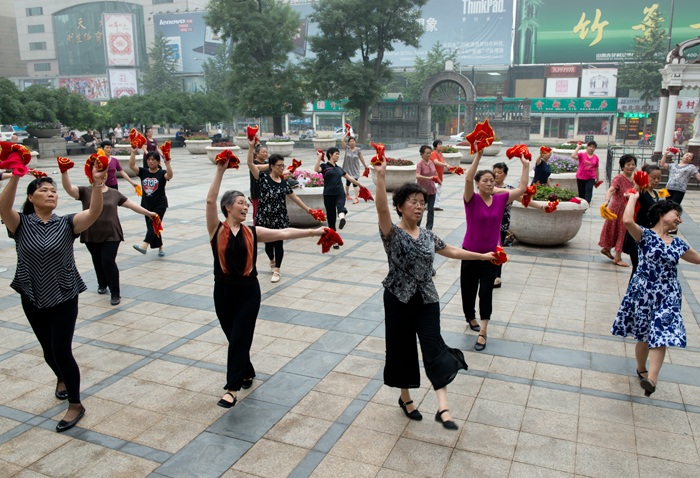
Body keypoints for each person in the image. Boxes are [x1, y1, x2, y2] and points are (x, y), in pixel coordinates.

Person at [373, 160, 493, 430]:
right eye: (413, 201)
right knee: (401, 349)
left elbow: (452, 251)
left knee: (433, 347)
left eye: (422, 202)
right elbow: (381, 207)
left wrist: (482, 256)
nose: (419, 206)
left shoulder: (428, 235)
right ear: (401, 206)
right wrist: (380, 178)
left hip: (427, 299)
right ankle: (405, 398)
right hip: (398, 299)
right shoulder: (391, 233)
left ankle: (443, 408)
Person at [206, 159, 328, 408]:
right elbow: (210, 201)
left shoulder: (253, 232)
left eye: (246, 203)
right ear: (227, 207)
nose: (246, 207)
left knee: (241, 335)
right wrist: (220, 171)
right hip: (223, 291)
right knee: (234, 337)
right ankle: (247, 370)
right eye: (241, 203)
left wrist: (313, 232)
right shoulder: (215, 230)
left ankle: (232, 388)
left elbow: (283, 232)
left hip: (249, 292)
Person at [0, 162, 107, 432]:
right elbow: (3, 206)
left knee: (61, 349)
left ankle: (75, 404)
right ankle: (60, 377)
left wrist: (95, 184)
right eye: (44, 190)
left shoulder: (66, 223)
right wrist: (15, 175)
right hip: (31, 293)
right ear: (31, 197)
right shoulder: (20, 224)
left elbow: (94, 211)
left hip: (64, 294)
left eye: (54, 191)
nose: (51, 194)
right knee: (48, 350)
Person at [612, 196, 700, 397]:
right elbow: (627, 221)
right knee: (643, 336)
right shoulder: (645, 235)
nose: (679, 220)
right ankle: (642, 369)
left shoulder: (679, 244)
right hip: (643, 293)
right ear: (661, 214)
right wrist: (633, 198)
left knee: (662, 333)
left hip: (668, 294)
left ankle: (652, 379)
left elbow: (698, 259)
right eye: (676, 215)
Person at [461, 150, 529, 350]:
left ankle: (483, 330)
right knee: (468, 289)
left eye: (492, 180)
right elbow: (467, 178)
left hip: (491, 255)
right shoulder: (471, 200)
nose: (490, 183)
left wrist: (525, 165)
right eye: (485, 180)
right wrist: (478, 156)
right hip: (470, 253)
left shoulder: (501, 200)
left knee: (486, 292)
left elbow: (523, 188)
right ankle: (470, 316)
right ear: (478, 184)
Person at [61, 164, 157, 306]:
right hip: (91, 233)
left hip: (111, 234)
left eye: (104, 174)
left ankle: (115, 292)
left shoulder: (114, 193)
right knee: (97, 260)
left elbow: (131, 204)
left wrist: (149, 213)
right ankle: (102, 283)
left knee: (108, 261)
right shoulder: (85, 191)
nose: (102, 177)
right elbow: (69, 189)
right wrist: (64, 172)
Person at [247, 138, 316, 282]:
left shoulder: (284, 183)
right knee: (268, 245)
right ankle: (271, 260)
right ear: (271, 166)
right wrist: (250, 147)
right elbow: (250, 164)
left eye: (283, 166)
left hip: (279, 218)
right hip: (265, 217)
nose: (281, 169)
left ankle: (277, 270)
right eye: (279, 166)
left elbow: (295, 198)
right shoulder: (263, 178)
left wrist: (308, 209)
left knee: (278, 243)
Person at [129, 148, 173, 256]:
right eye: (148, 159)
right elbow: (131, 166)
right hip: (146, 205)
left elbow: (170, 176)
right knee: (153, 226)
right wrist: (133, 152)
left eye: (153, 159)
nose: (150, 161)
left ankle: (144, 245)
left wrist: (168, 164)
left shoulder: (162, 173)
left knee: (153, 223)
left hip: (160, 204)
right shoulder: (143, 172)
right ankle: (161, 246)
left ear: (158, 162)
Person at [314, 148, 364, 241]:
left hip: (339, 192)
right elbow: (316, 169)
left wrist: (361, 185)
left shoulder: (339, 169)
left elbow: (350, 178)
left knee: (341, 206)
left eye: (338, 154)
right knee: (331, 217)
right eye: (336, 154)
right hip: (328, 194)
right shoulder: (324, 166)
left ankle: (342, 219)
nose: (338, 156)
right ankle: (333, 238)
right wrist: (319, 157)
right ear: (330, 154)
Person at [622, 164, 661, 277]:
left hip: (649, 235)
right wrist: (638, 185)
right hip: (637, 235)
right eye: (653, 177)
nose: (656, 180)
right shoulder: (641, 193)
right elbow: (629, 195)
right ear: (646, 176)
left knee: (644, 268)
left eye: (659, 178)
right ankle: (632, 293)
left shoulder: (655, 194)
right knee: (638, 268)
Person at [599, 154, 637, 267]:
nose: (631, 166)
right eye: (628, 164)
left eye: (633, 164)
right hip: (617, 209)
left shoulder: (634, 180)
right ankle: (617, 258)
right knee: (618, 231)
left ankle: (606, 249)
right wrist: (606, 201)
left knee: (621, 231)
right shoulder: (619, 178)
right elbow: (611, 190)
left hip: (627, 209)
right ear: (622, 166)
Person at [415, 145, 439, 230]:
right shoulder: (420, 164)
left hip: (432, 190)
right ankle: (416, 226)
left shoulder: (431, 163)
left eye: (430, 153)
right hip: (422, 191)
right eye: (427, 153)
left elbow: (435, 173)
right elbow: (417, 175)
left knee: (430, 210)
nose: (429, 155)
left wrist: (437, 179)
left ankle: (429, 228)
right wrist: (429, 178)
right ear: (422, 154)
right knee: (420, 209)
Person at [340, 134, 368, 203]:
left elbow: (361, 158)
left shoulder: (358, 150)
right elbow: (342, 141)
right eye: (350, 141)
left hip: (355, 169)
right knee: (348, 182)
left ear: (355, 142)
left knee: (355, 182)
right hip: (348, 169)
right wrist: (346, 133)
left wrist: (365, 166)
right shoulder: (347, 148)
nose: (352, 142)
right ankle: (347, 194)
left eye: (353, 141)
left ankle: (356, 198)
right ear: (349, 142)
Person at [249, 143, 270, 224]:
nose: (265, 154)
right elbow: (259, 167)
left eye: (266, 152)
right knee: (257, 215)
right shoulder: (254, 163)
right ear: (257, 154)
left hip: (267, 193)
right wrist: (271, 165)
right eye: (263, 152)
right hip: (257, 193)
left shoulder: (267, 163)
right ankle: (256, 231)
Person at [430, 140, 449, 211]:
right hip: (434, 176)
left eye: (441, 144)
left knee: (438, 192)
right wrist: (445, 165)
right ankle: (428, 205)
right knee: (433, 192)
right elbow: (436, 162)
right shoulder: (433, 153)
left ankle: (436, 206)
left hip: (440, 176)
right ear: (435, 146)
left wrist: (448, 165)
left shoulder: (440, 153)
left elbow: (442, 162)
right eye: (439, 144)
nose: (441, 146)